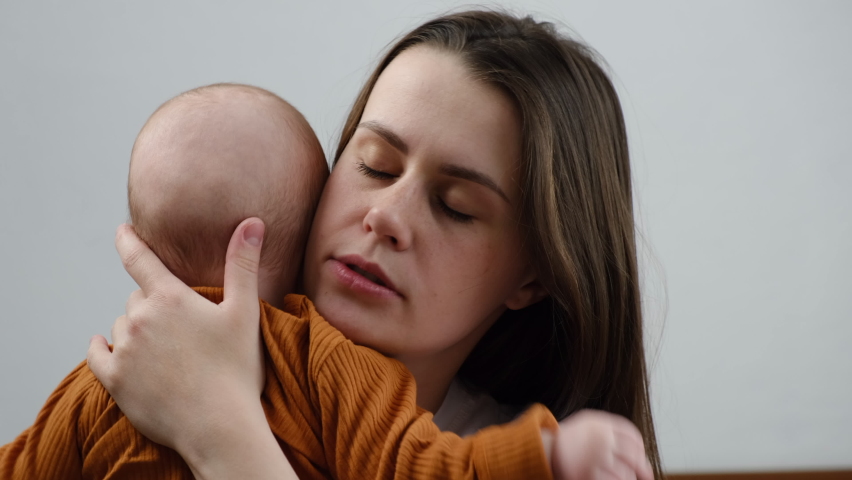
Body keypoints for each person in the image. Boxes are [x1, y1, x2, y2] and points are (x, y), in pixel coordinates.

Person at [0, 80, 649, 479]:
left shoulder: (365, 390)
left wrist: (219, 427)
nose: (385, 216)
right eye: (371, 165)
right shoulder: (124, 374)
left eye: (456, 205)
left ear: (533, 276)